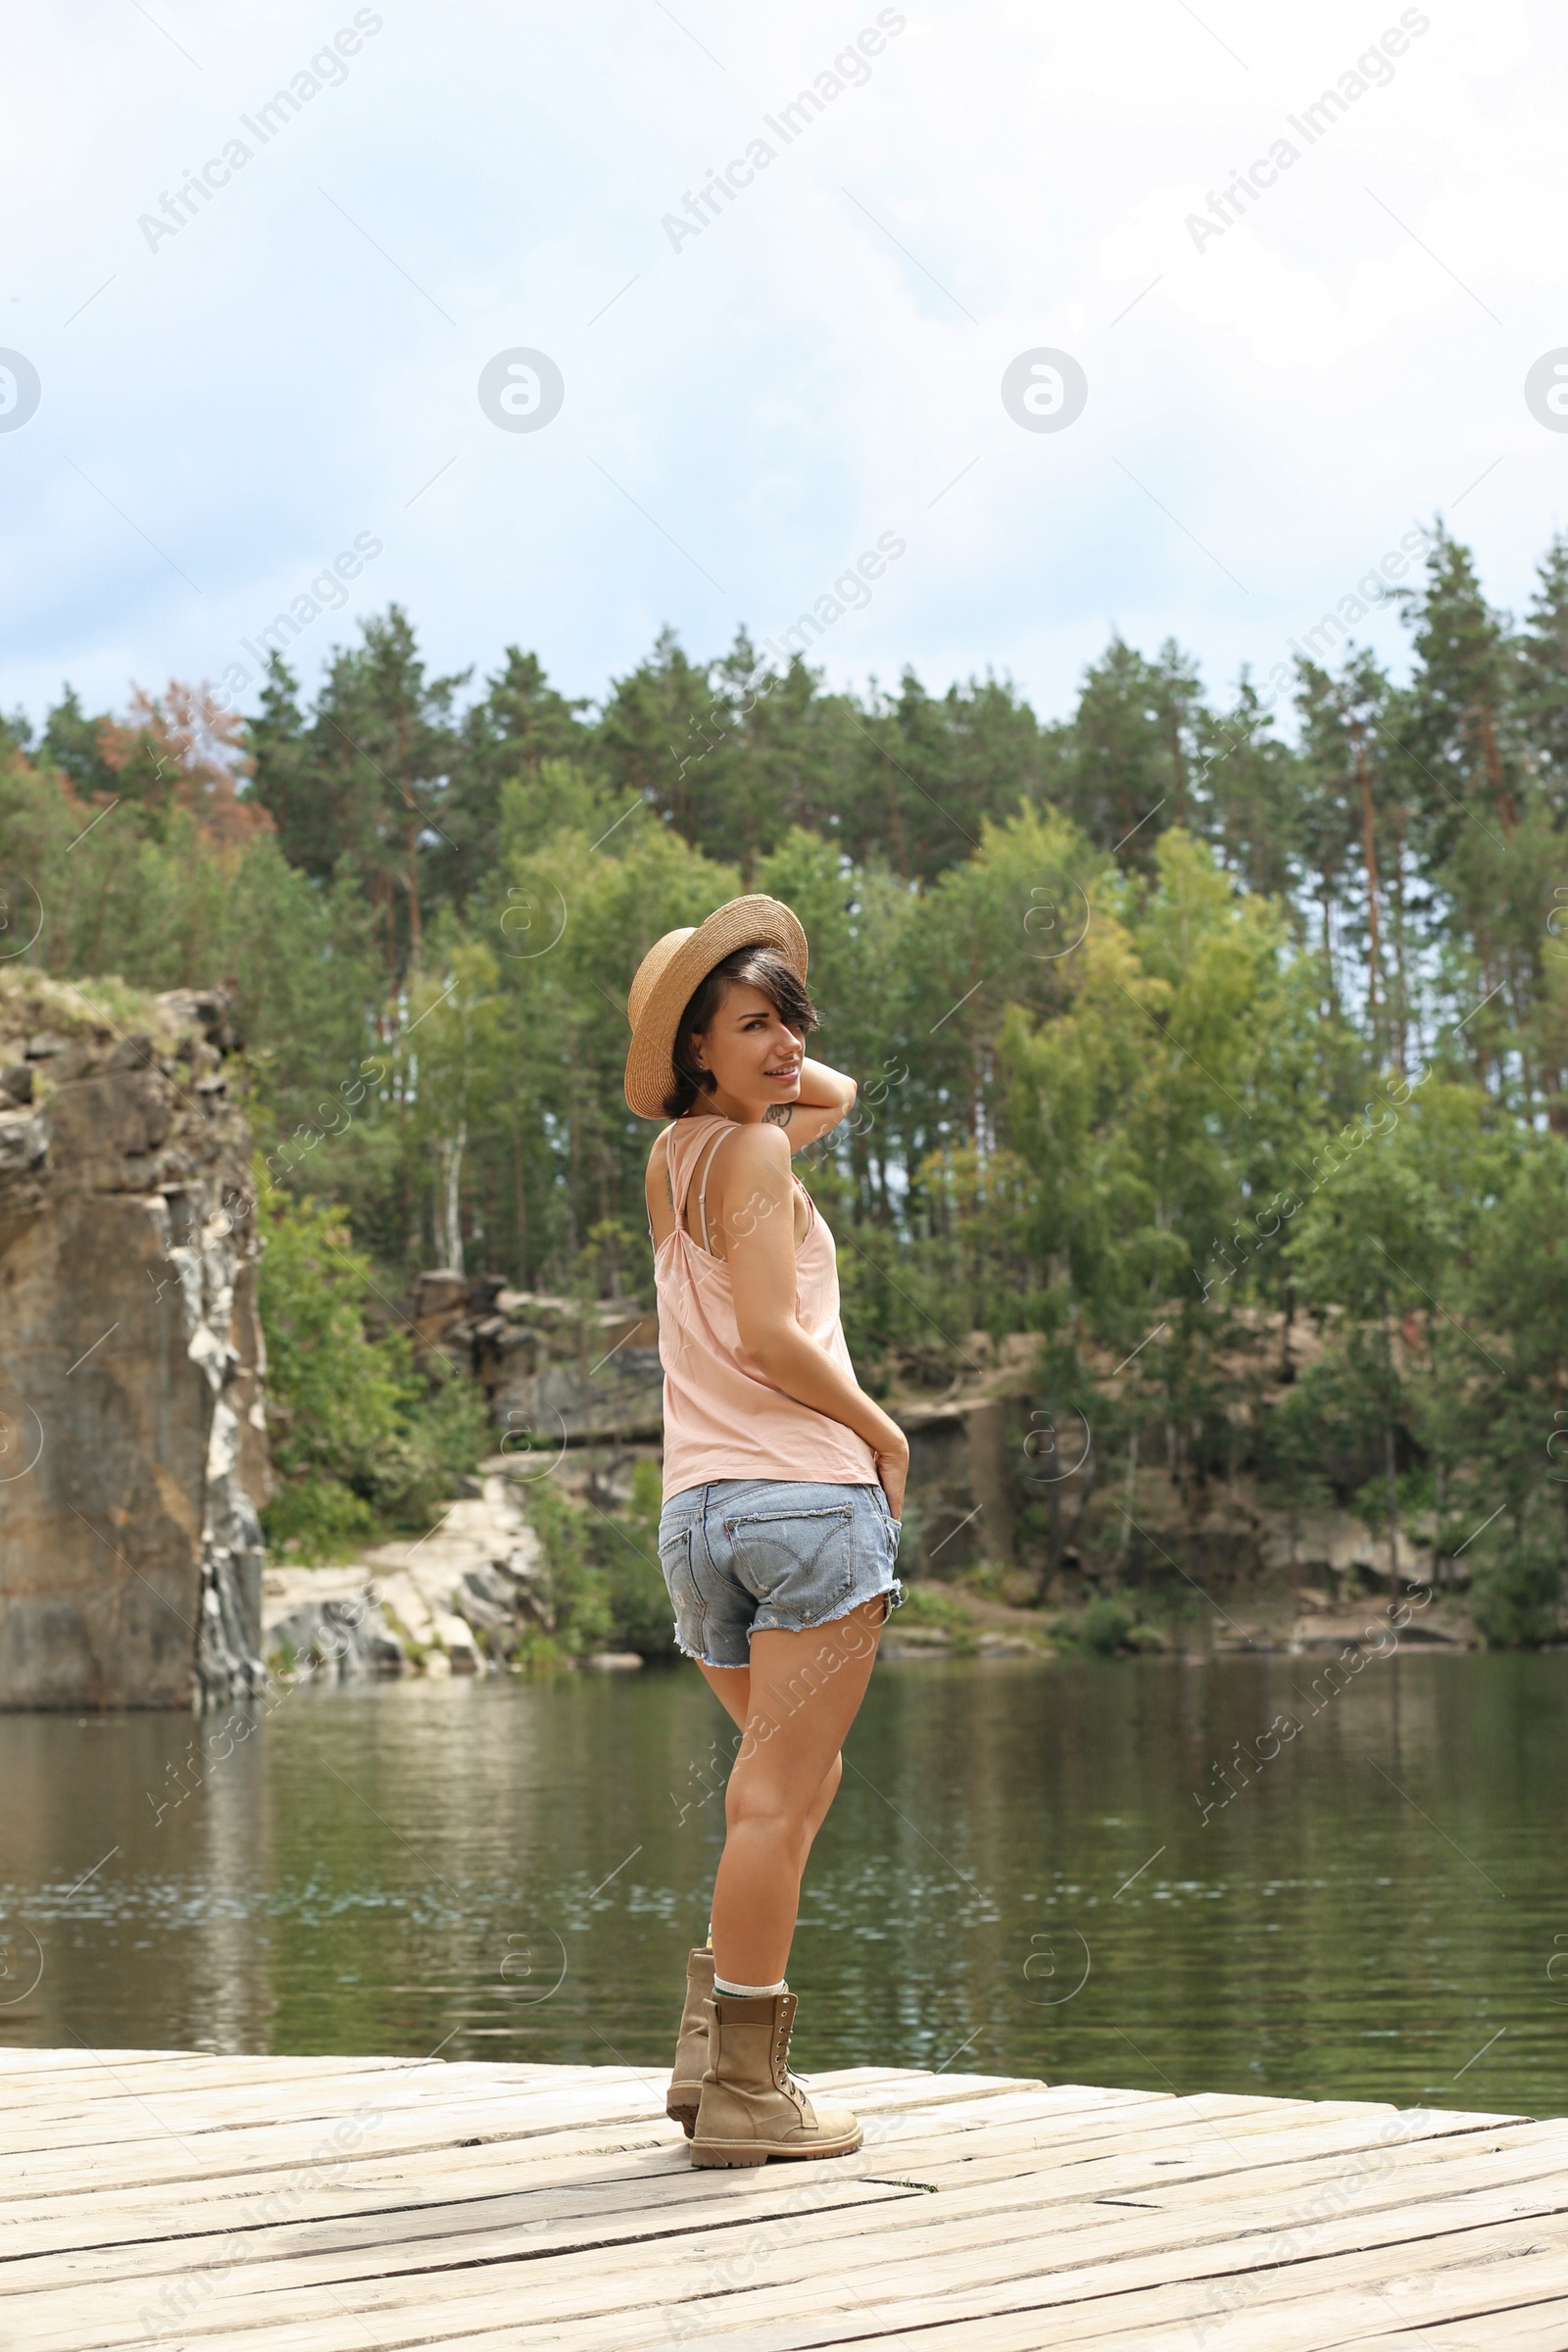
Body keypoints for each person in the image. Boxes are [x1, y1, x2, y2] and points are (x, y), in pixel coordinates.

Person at [624, 894, 909, 2170]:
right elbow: (770, 1338)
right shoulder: (752, 1157)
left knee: (787, 1791)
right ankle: (747, 2088)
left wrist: (758, 1024)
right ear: (693, 1050)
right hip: (803, 1502)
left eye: (792, 1020)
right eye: (754, 1026)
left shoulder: (677, 1157)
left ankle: (707, 2063)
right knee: (776, 1797)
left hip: (700, 1519)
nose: (791, 1048)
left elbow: (828, 1094)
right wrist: (884, 1433)